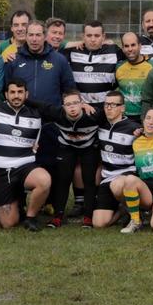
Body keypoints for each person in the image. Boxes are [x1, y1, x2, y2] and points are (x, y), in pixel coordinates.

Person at [0, 78, 56, 231]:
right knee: (8, 223)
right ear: (6, 94)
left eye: (20, 92)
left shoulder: (37, 112)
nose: (16, 96)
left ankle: (30, 217)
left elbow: (61, 113)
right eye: (12, 92)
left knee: (44, 180)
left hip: (25, 165)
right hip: (1, 171)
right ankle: (17, 202)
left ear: (27, 94)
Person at [40, 89, 102, 226]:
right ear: (63, 107)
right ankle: (58, 216)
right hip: (67, 148)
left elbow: (110, 113)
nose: (72, 107)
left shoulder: (93, 115)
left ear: (82, 104)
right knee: (63, 179)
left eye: (75, 103)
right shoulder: (57, 113)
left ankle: (88, 216)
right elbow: (38, 106)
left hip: (88, 148)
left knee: (89, 180)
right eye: (68, 104)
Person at [90, 91, 146, 230]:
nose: (109, 108)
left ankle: (136, 216)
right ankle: (123, 211)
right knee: (99, 224)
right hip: (106, 177)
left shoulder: (134, 128)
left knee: (117, 185)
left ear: (123, 108)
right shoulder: (100, 126)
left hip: (126, 177)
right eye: (106, 104)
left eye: (114, 105)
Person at [4, 21, 77, 110]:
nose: (34, 39)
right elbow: (6, 90)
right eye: (31, 35)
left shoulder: (59, 60)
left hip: (52, 118)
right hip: (23, 116)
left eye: (38, 35)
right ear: (26, 36)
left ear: (45, 37)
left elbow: (70, 90)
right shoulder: (13, 60)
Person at [66, 20, 122, 113]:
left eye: (97, 36)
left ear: (103, 36)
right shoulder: (72, 51)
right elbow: (52, 47)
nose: (93, 39)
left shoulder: (114, 50)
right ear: (83, 36)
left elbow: (133, 54)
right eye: (89, 36)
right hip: (80, 110)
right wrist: (72, 43)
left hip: (106, 110)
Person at [113, 31, 153, 118]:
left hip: (145, 119)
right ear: (123, 48)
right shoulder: (118, 67)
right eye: (126, 46)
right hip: (124, 119)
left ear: (139, 46)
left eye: (133, 45)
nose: (130, 49)